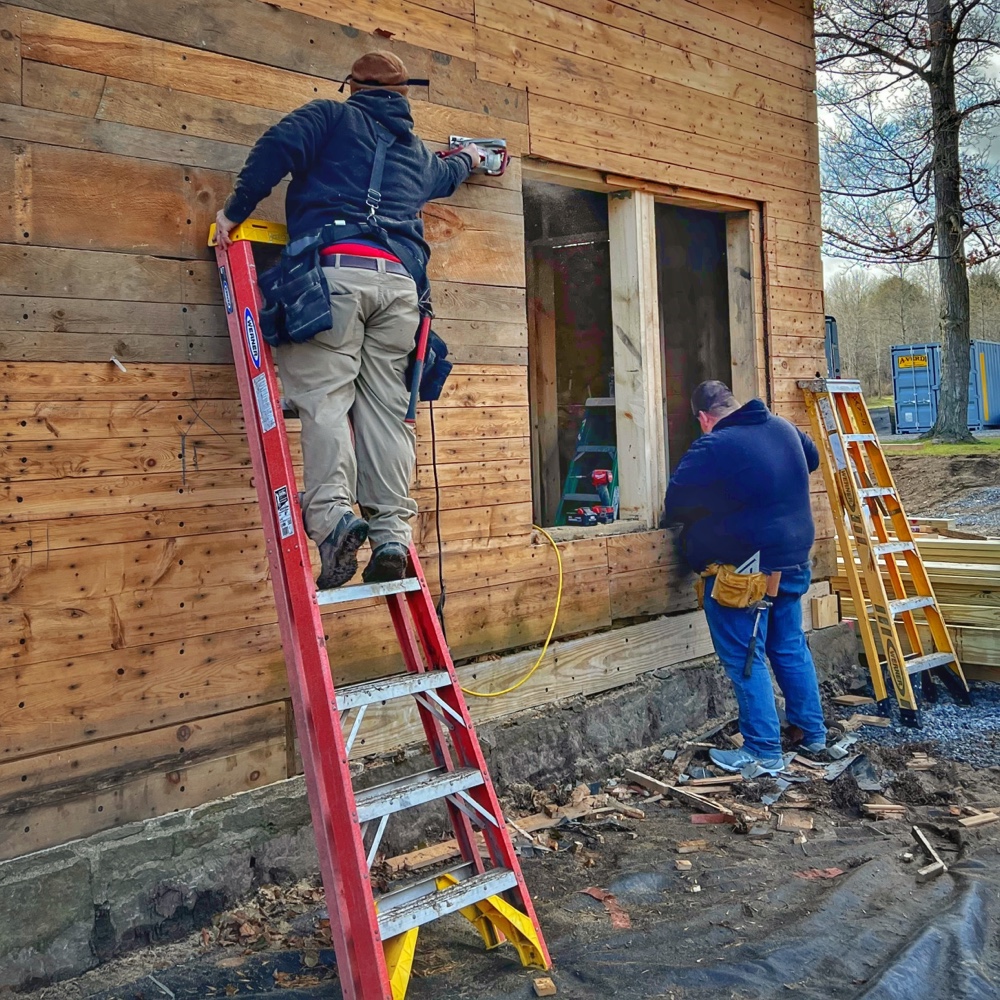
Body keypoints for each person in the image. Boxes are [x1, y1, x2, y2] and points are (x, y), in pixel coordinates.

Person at [215, 52, 481, 588]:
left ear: (351, 87)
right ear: (403, 98)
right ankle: (391, 535)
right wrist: (471, 159)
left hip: (334, 277)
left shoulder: (329, 117)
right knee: (386, 412)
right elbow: (447, 175)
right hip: (401, 291)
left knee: (326, 400)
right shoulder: (416, 153)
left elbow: (276, 149)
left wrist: (233, 213)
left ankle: (335, 519)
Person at [662, 381, 829, 777]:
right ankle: (813, 733)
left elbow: (675, 505)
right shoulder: (784, 428)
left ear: (704, 418)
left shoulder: (715, 445)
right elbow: (812, 457)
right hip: (792, 560)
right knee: (788, 646)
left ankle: (763, 752)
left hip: (747, 573)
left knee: (746, 658)